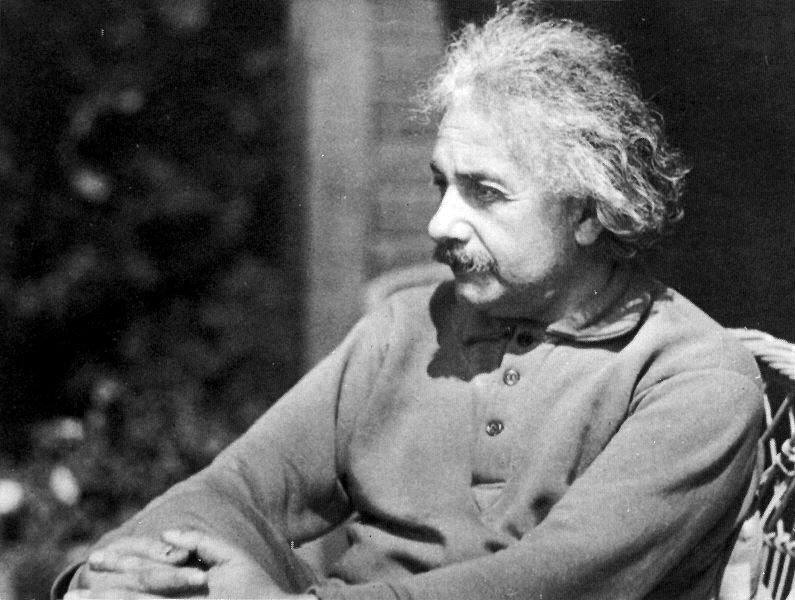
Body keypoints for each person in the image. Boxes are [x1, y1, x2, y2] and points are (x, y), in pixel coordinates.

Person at [55, 3, 764, 599]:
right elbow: (240, 488)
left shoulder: (693, 378)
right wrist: (121, 567)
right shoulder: (408, 327)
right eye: (440, 184)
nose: (440, 224)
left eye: (485, 193)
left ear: (586, 212)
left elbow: (552, 583)